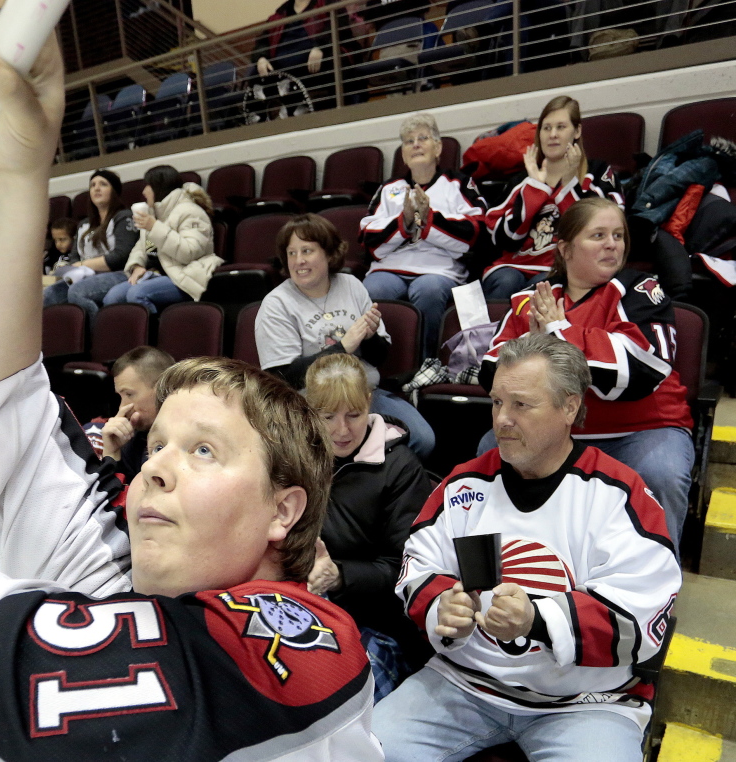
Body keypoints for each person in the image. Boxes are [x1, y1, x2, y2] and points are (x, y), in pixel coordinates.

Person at [0, 9, 383, 759]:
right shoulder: (105, 570)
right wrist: (13, 166)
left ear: (283, 508)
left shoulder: (304, 646)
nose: (153, 464)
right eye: (160, 444)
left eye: (202, 452)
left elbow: (10, 682)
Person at [373, 333, 681, 762]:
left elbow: (644, 616)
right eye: (498, 402)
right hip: (463, 684)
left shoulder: (618, 494)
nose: (501, 419)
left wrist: (538, 619)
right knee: (365, 751)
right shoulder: (464, 483)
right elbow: (416, 566)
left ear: (569, 407)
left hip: (587, 702)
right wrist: (440, 603)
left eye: (521, 404)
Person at [479, 197, 695, 549]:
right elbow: (492, 371)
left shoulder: (641, 290)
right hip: (554, 430)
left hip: (642, 429)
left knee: (661, 474)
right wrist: (555, 338)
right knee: (490, 450)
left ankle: (657, 593)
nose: (613, 244)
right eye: (598, 235)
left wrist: (555, 333)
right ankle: (511, 573)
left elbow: (639, 369)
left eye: (618, 235)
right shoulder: (529, 299)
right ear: (564, 248)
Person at [304, 352, 433, 699]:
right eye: (327, 416)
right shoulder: (294, 454)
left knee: (335, 700)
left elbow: (406, 570)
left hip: (375, 622)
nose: (341, 430)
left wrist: (340, 575)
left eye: (354, 414)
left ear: (369, 402)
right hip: (302, 606)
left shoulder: (401, 468)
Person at [255, 213, 436, 460]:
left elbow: (379, 357)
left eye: (307, 251)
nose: (299, 261)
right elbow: (282, 377)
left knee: (422, 439)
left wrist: (371, 337)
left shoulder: (351, 285)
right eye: (292, 253)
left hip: (362, 396)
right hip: (313, 405)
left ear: (329, 254)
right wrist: (343, 346)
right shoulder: (276, 304)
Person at [361, 113, 488, 356]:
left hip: (439, 271)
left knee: (428, 289)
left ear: (438, 147)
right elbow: (369, 241)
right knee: (371, 290)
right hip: (389, 270)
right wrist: (405, 221)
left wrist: (430, 218)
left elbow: (475, 234)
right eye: (409, 141)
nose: (416, 144)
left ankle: (428, 363)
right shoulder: (388, 189)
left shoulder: (458, 184)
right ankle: (380, 363)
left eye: (423, 138)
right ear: (403, 154)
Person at [483, 95, 624, 300]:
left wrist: (569, 184)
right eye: (546, 128)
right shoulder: (522, 180)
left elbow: (600, 227)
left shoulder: (598, 173)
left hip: (565, 267)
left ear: (577, 131)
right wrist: (535, 188)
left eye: (561, 127)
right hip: (514, 265)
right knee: (506, 281)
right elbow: (504, 240)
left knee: (541, 285)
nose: (553, 135)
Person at [103, 165, 220, 314]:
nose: (144, 191)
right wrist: (137, 265)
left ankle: (153, 335)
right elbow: (141, 247)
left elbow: (190, 253)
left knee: (137, 294)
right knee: (112, 298)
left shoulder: (191, 211)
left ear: (159, 188)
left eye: (148, 186)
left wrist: (155, 228)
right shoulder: (155, 213)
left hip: (186, 274)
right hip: (156, 274)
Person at [42, 169, 140, 323]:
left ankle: (99, 336)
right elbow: (74, 256)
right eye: (93, 185)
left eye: (103, 184)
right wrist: (77, 267)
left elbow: (120, 257)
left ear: (114, 191)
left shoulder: (124, 217)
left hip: (119, 273)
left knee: (78, 292)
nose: (96, 188)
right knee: (49, 294)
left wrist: (83, 264)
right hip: (84, 276)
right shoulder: (84, 224)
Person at [85, 346, 174, 482]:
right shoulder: (134, 440)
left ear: (163, 390)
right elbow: (114, 498)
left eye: (129, 394)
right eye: (121, 397)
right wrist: (112, 453)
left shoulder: (189, 441)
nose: (122, 407)